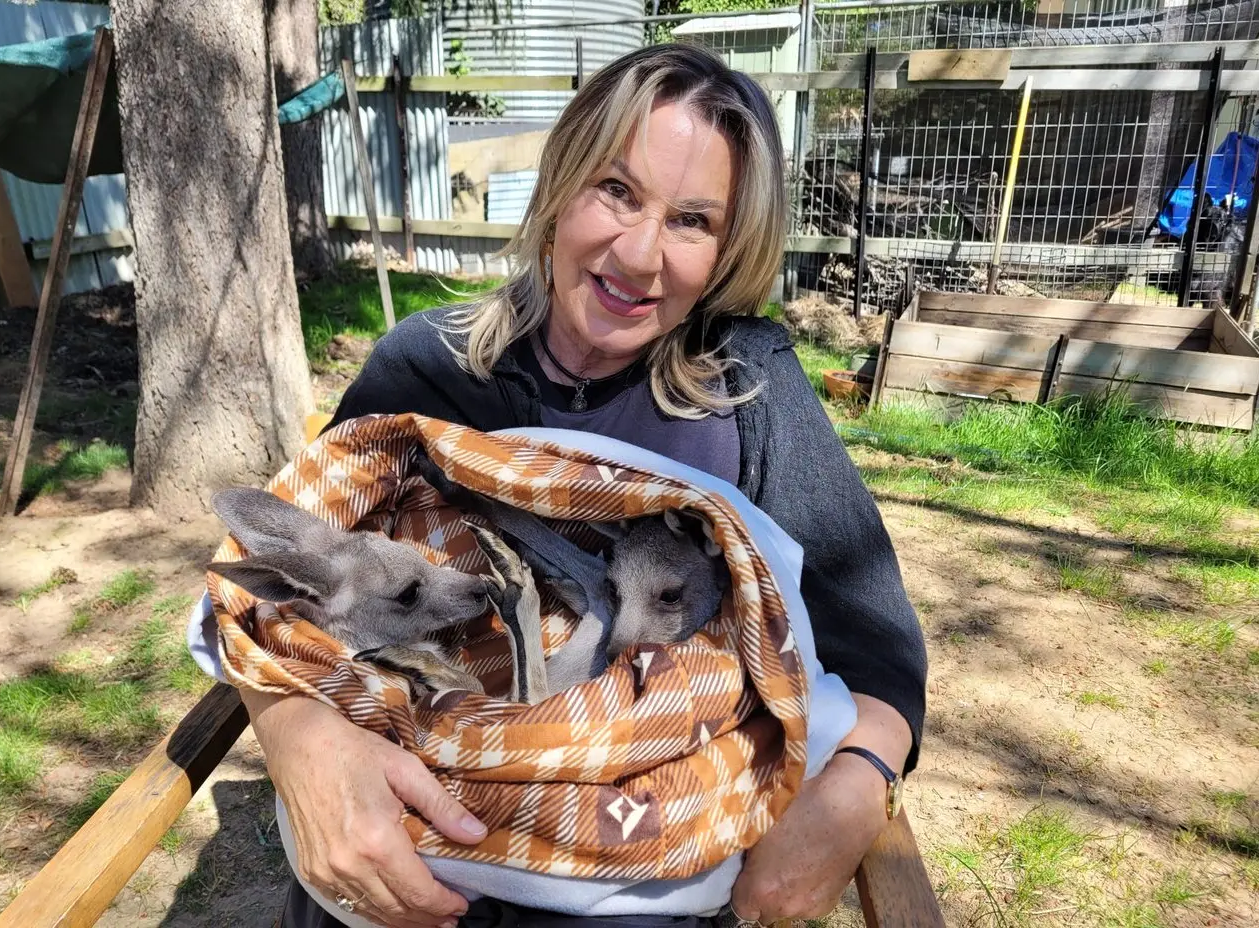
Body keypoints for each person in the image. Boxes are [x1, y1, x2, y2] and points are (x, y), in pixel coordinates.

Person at [240, 43, 927, 928]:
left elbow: (877, 652)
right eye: (617, 190)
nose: (640, 256)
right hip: (418, 870)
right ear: (560, 185)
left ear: (728, 250)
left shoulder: (746, 389)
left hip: (648, 871)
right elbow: (274, 602)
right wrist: (299, 740)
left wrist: (857, 790)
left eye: (692, 221)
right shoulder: (426, 374)